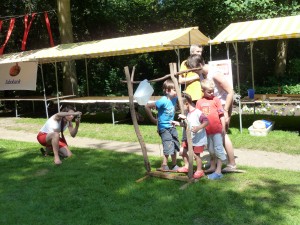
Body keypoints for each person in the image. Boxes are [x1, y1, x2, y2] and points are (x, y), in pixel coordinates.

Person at [187, 54, 237, 172]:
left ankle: (232, 164)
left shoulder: (214, 74)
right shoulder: (202, 74)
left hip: (222, 106)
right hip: (213, 107)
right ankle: (213, 165)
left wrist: (225, 111)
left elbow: (230, 92)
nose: (193, 72)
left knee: (222, 134)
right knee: (212, 135)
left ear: (200, 65)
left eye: (194, 69)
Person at [145, 79, 180, 171]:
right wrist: (153, 119)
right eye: (174, 90)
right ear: (167, 90)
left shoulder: (175, 98)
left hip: (172, 126)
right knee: (168, 144)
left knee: (175, 144)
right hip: (163, 127)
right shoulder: (163, 101)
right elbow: (147, 106)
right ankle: (164, 165)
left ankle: (174, 165)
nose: (176, 92)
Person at [171, 93, 209, 179]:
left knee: (196, 155)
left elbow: (206, 122)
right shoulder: (187, 113)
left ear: (187, 103)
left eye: (180, 106)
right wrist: (178, 123)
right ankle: (187, 166)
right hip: (188, 137)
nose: (180, 108)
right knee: (182, 152)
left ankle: (199, 170)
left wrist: (199, 127)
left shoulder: (198, 113)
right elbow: (186, 124)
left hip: (197, 139)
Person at [196, 79, 226, 180]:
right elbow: (198, 117)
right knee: (211, 150)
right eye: (209, 91)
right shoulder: (199, 102)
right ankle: (213, 166)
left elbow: (221, 114)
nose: (212, 93)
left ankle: (218, 171)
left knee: (218, 149)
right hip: (206, 131)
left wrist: (223, 127)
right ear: (202, 90)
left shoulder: (216, 100)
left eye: (213, 91)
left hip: (217, 130)